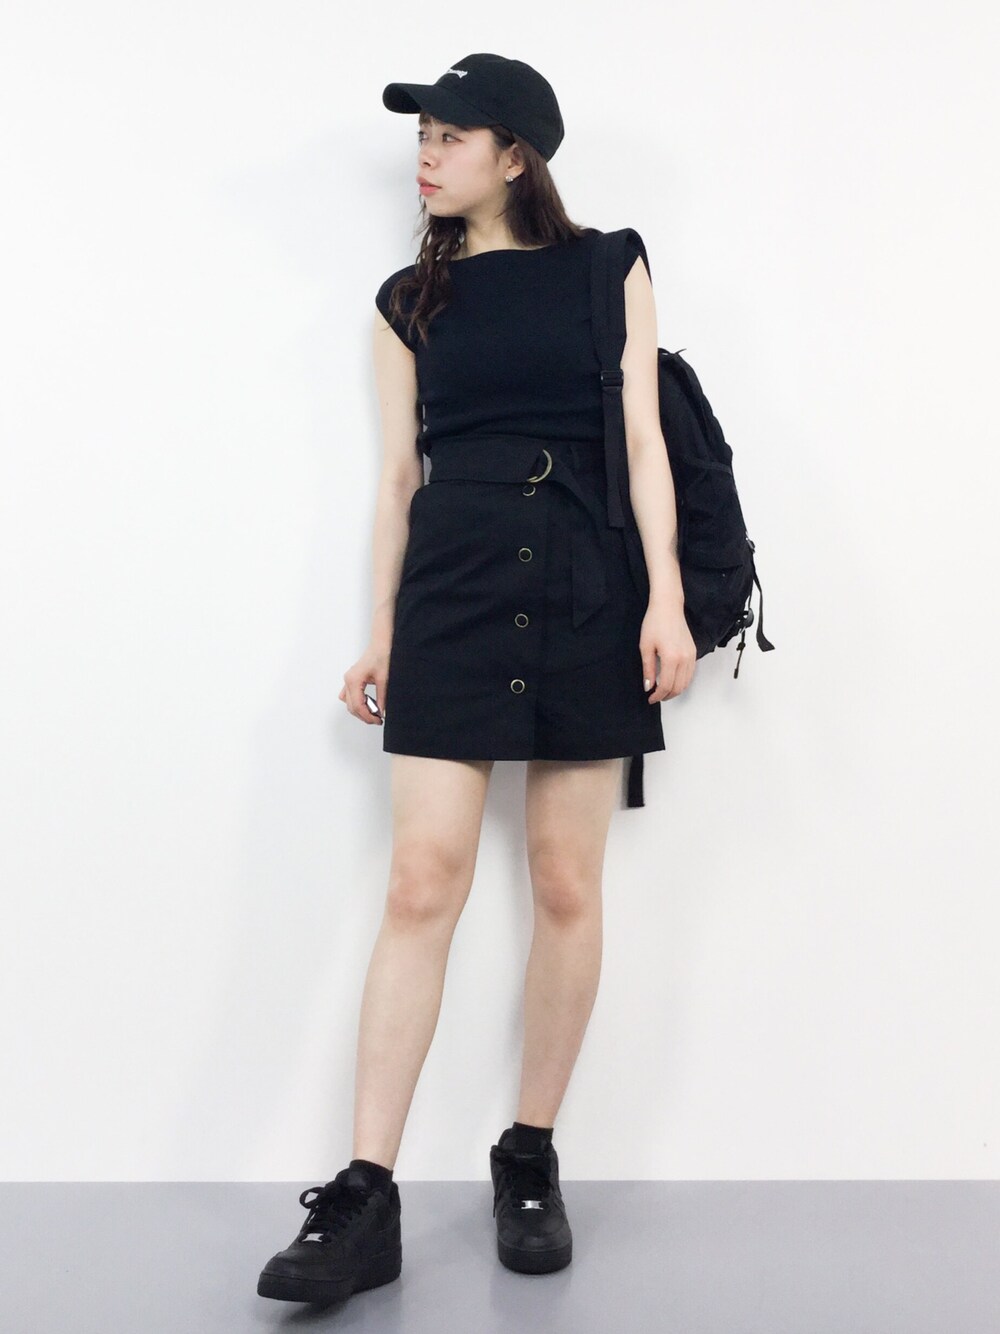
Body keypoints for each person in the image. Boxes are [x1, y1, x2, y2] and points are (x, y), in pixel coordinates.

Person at [258, 51, 696, 1308]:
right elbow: (398, 476)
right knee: (421, 879)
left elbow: (642, 438)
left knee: (563, 879)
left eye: (451, 135)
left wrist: (665, 596)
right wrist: (381, 630)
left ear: (517, 155)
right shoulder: (409, 299)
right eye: (422, 136)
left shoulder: (607, 264)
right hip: (450, 584)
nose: (426, 154)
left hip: (587, 585)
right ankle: (364, 1195)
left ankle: (528, 1155)